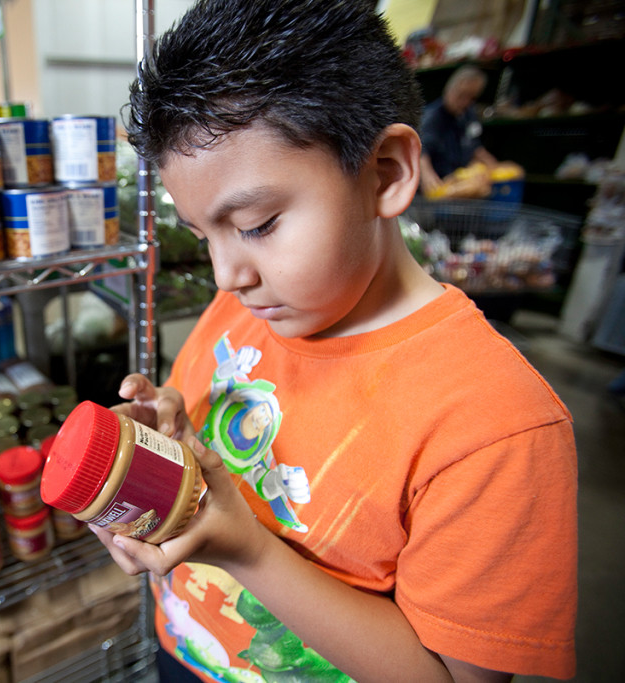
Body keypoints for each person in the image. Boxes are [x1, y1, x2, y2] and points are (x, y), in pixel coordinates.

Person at [89, 1, 578, 682]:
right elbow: (204, 440)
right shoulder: (247, 309)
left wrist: (247, 551)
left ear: (386, 171)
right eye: (205, 236)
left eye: (257, 224)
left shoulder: (495, 424)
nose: (226, 274)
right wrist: (159, 451)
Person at [419, 65, 500, 194]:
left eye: (471, 97)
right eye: (461, 95)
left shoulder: (468, 114)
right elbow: (421, 151)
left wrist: (495, 167)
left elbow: (475, 146)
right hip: (440, 184)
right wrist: (427, 175)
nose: (465, 102)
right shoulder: (433, 117)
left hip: (457, 180)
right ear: (449, 89)